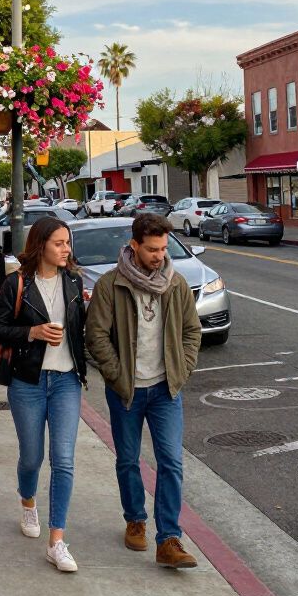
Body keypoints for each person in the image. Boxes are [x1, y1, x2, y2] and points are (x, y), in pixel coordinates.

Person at [85, 213, 201, 570]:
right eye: (152, 249)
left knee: (171, 462)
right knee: (128, 459)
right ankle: (135, 517)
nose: (159, 256)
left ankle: (168, 539)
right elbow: (96, 336)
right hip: (127, 392)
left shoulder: (176, 284)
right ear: (134, 246)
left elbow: (191, 332)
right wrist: (119, 376)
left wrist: (181, 368)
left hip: (167, 389)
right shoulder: (111, 285)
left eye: (164, 248)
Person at [0, 217, 86, 573]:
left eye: (67, 243)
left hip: (66, 382)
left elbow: (83, 329)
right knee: (31, 457)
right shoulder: (17, 284)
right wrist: (33, 332)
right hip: (27, 382)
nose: (66, 249)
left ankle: (57, 541)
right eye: (59, 243)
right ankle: (28, 501)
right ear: (40, 244)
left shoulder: (74, 282)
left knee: (64, 460)